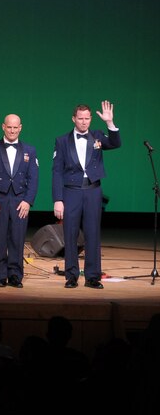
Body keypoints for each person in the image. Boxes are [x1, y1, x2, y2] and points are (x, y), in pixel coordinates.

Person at [52, 101, 120, 289]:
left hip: (92, 190)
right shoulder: (62, 140)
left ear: (91, 119)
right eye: (80, 118)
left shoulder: (97, 136)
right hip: (71, 191)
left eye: (87, 118)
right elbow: (56, 171)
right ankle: (71, 276)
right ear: (74, 119)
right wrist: (58, 199)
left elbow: (115, 143)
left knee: (92, 234)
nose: (84, 122)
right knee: (70, 234)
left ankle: (92, 277)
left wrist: (110, 123)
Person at [0, 114, 39, 288]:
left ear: (20, 128)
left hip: (20, 201)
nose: (12, 131)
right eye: (9, 127)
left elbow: (33, 179)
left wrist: (28, 201)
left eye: (15, 127)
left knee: (18, 240)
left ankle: (15, 276)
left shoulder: (30, 150)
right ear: (3, 127)